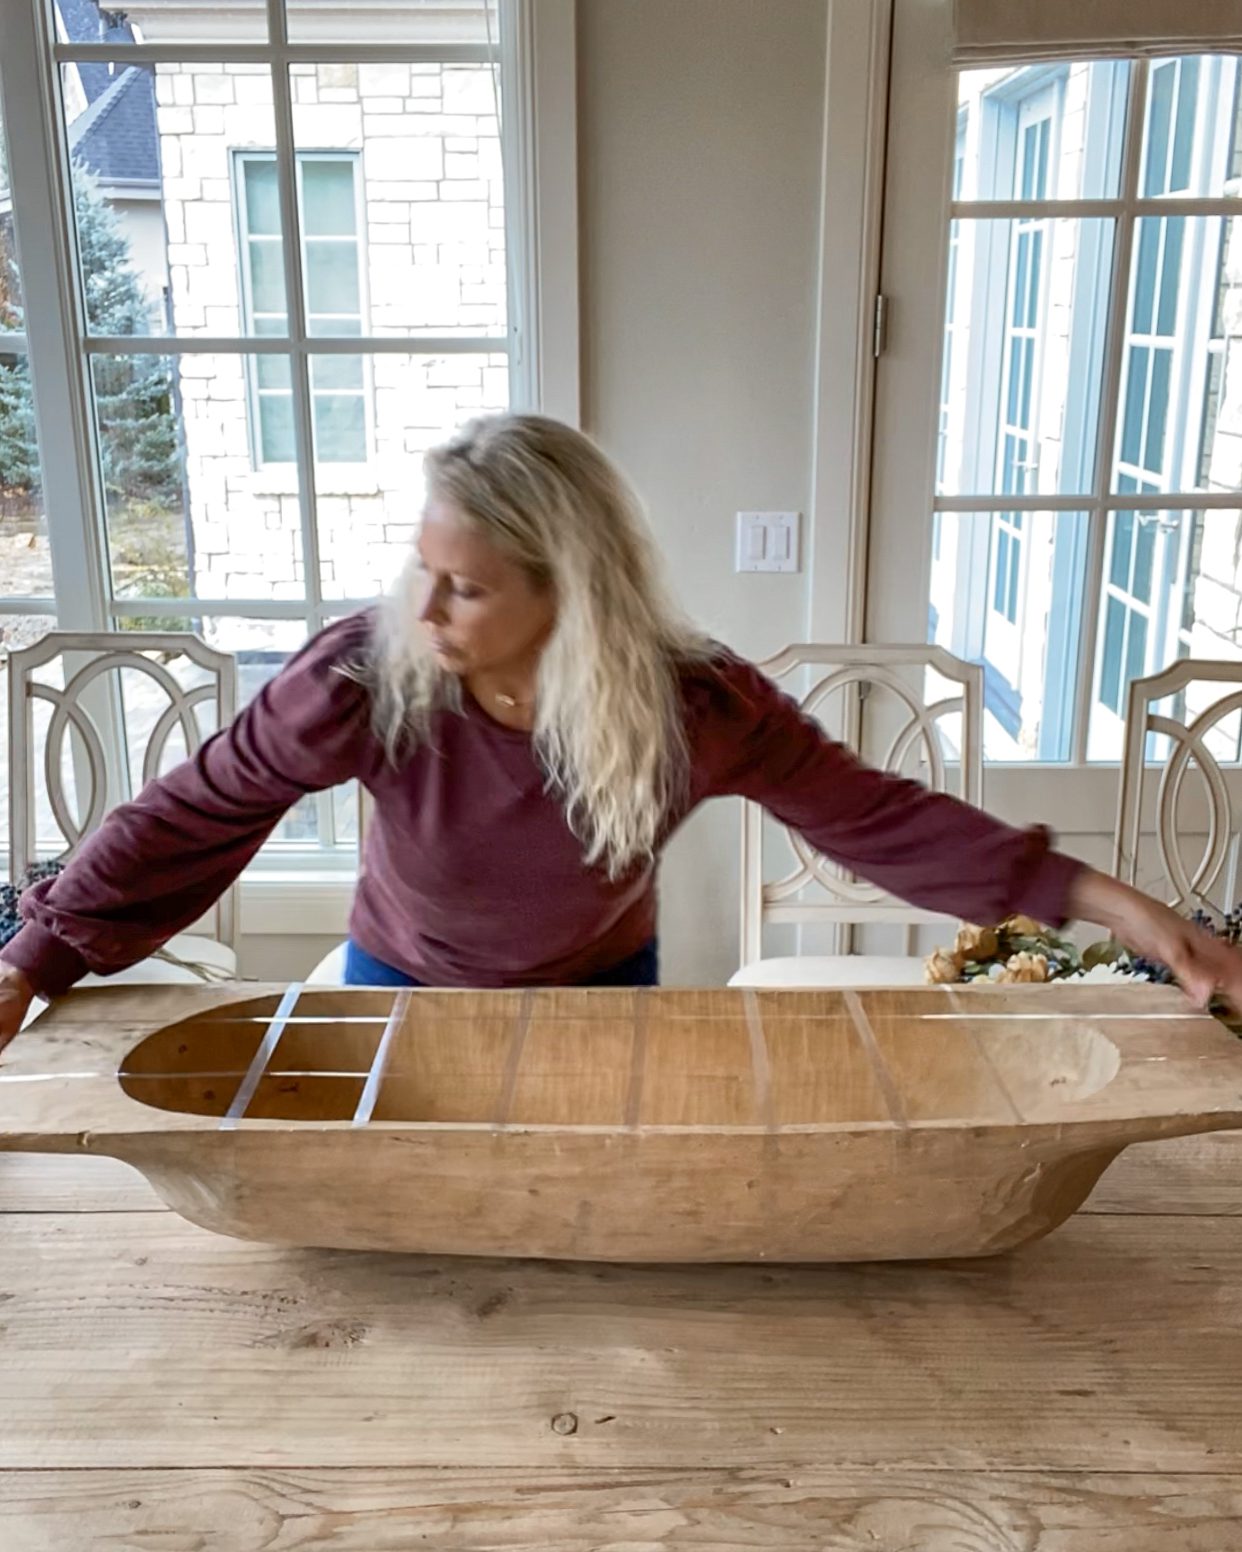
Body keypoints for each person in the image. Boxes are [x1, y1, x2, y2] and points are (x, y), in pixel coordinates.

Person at [1, 413, 1239, 1051]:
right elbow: (191, 811)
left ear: (568, 591)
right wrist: (29, 960)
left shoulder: (694, 705)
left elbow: (881, 819)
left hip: (605, 993)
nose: (423, 609)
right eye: (421, 570)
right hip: (397, 988)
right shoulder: (362, 679)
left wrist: (1144, 917)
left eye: (468, 586)